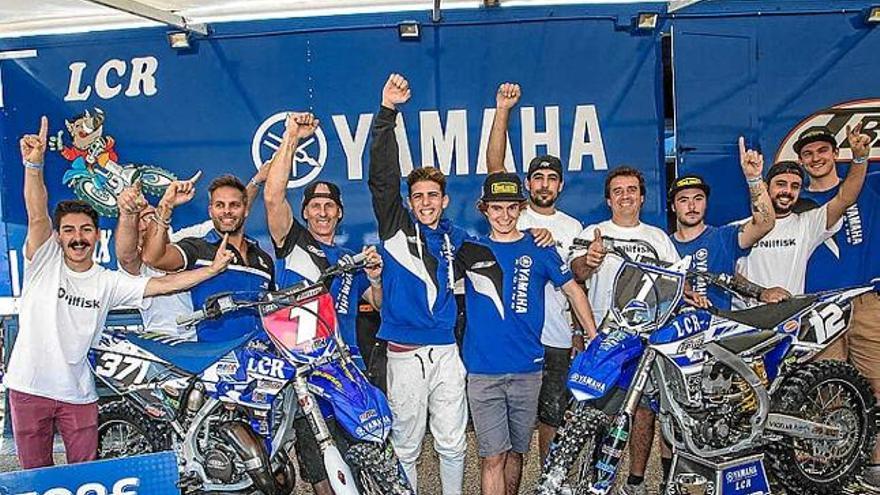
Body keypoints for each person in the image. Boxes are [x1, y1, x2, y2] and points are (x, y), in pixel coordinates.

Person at [4, 116, 234, 469]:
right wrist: (33, 166)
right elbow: (37, 216)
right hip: (29, 389)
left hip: (79, 395)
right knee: (36, 479)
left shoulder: (106, 280)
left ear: (97, 235)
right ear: (59, 236)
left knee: (87, 477)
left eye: (85, 230)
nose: (78, 237)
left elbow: (163, 283)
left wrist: (212, 270)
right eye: (69, 231)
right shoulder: (44, 261)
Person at [264, 111, 383, 495]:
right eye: (314, 205)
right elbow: (272, 195)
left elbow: (377, 303)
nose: (322, 211)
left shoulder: (352, 259)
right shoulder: (293, 243)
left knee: (362, 463)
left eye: (329, 205)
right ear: (305, 213)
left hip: (350, 371)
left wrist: (377, 278)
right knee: (321, 474)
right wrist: (292, 137)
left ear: (340, 213)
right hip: (306, 378)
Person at [458, 171, 598, 495]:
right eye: (496, 208)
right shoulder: (470, 251)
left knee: (517, 452)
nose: (504, 215)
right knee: (492, 455)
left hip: (528, 370)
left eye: (510, 208)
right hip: (483, 372)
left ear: (520, 209)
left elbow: (574, 292)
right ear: (484, 210)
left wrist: (593, 337)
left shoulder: (540, 247)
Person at [367, 73, 470, 495]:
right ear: (410, 202)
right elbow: (381, 179)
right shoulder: (394, 228)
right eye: (419, 196)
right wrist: (387, 113)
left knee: (452, 442)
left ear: (444, 200)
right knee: (406, 446)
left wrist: (535, 236)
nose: (426, 202)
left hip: (446, 350)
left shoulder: (456, 237)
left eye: (434, 196)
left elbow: (504, 244)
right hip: (405, 354)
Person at [485, 82, 587, 460]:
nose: (544, 184)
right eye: (537, 178)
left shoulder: (574, 227)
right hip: (518, 337)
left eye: (551, 178)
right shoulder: (516, 213)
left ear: (560, 184)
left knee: (552, 417)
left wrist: (579, 333)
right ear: (527, 184)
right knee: (513, 431)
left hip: (558, 337)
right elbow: (495, 166)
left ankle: (547, 482)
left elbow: (576, 284)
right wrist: (502, 111)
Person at [570, 166, 683, 495]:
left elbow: (676, 283)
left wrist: (691, 292)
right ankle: (594, 480)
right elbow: (576, 274)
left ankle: (635, 481)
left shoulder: (658, 238)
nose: (625, 195)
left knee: (644, 413)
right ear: (608, 199)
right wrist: (589, 260)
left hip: (645, 342)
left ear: (642, 197)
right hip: (604, 337)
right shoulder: (594, 231)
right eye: (617, 191)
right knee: (594, 411)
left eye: (631, 189)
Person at [794, 124, 880, 486]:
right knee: (825, 389)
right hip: (817, 307)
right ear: (799, 161)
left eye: (822, 151)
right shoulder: (795, 203)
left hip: (864, 300)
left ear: (835, 154)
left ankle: (876, 464)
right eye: (808, 154)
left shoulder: (869, 185)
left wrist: (861, 155)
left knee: (876, 382)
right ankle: (831, 468)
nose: (816, 159)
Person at [114, 163, 271, 339]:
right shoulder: (139, 262)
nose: (148, 223)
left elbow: (229, 216)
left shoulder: (183, 241)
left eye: (152, 215)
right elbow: (128, 257)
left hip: (200, 345)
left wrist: (257, 180)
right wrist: (129, 213)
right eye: (140, 218)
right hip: (165, 347)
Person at [736, 123, 872, 299]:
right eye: (780, 184)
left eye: (795, 186)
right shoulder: (738, 229)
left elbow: (845, 198)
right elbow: (724, 271)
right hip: (746, 322)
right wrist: (760, 292)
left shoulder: (807, 224)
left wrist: (860, 158)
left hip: (792, 320)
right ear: (765, 187)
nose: (787, 191)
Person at [669, 137, 784, 310]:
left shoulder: (724, 237)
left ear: (706, 203)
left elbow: (764, 223)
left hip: (719, 333)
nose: (692, 206)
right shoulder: (663, 244)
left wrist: (754, 179)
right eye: (683, 200)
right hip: (675, 333)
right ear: (673, 206)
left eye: (698, 199)